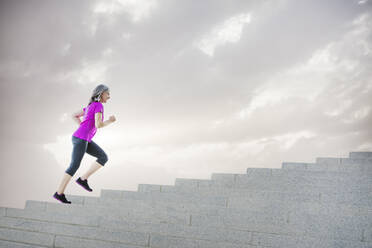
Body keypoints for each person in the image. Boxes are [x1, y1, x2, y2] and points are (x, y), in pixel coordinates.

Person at [53, 84, 116, 204]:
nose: (109, 96)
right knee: (74, 166)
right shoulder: (98, 105)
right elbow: (99, 125)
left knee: (103, 157)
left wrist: (82, 126)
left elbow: (74, 115)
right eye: (108, 93)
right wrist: (110, 121)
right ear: (101, 93)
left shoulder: (90, 106)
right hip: (81, 139)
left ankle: (83, 179)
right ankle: (59, 193)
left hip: (83, 138)